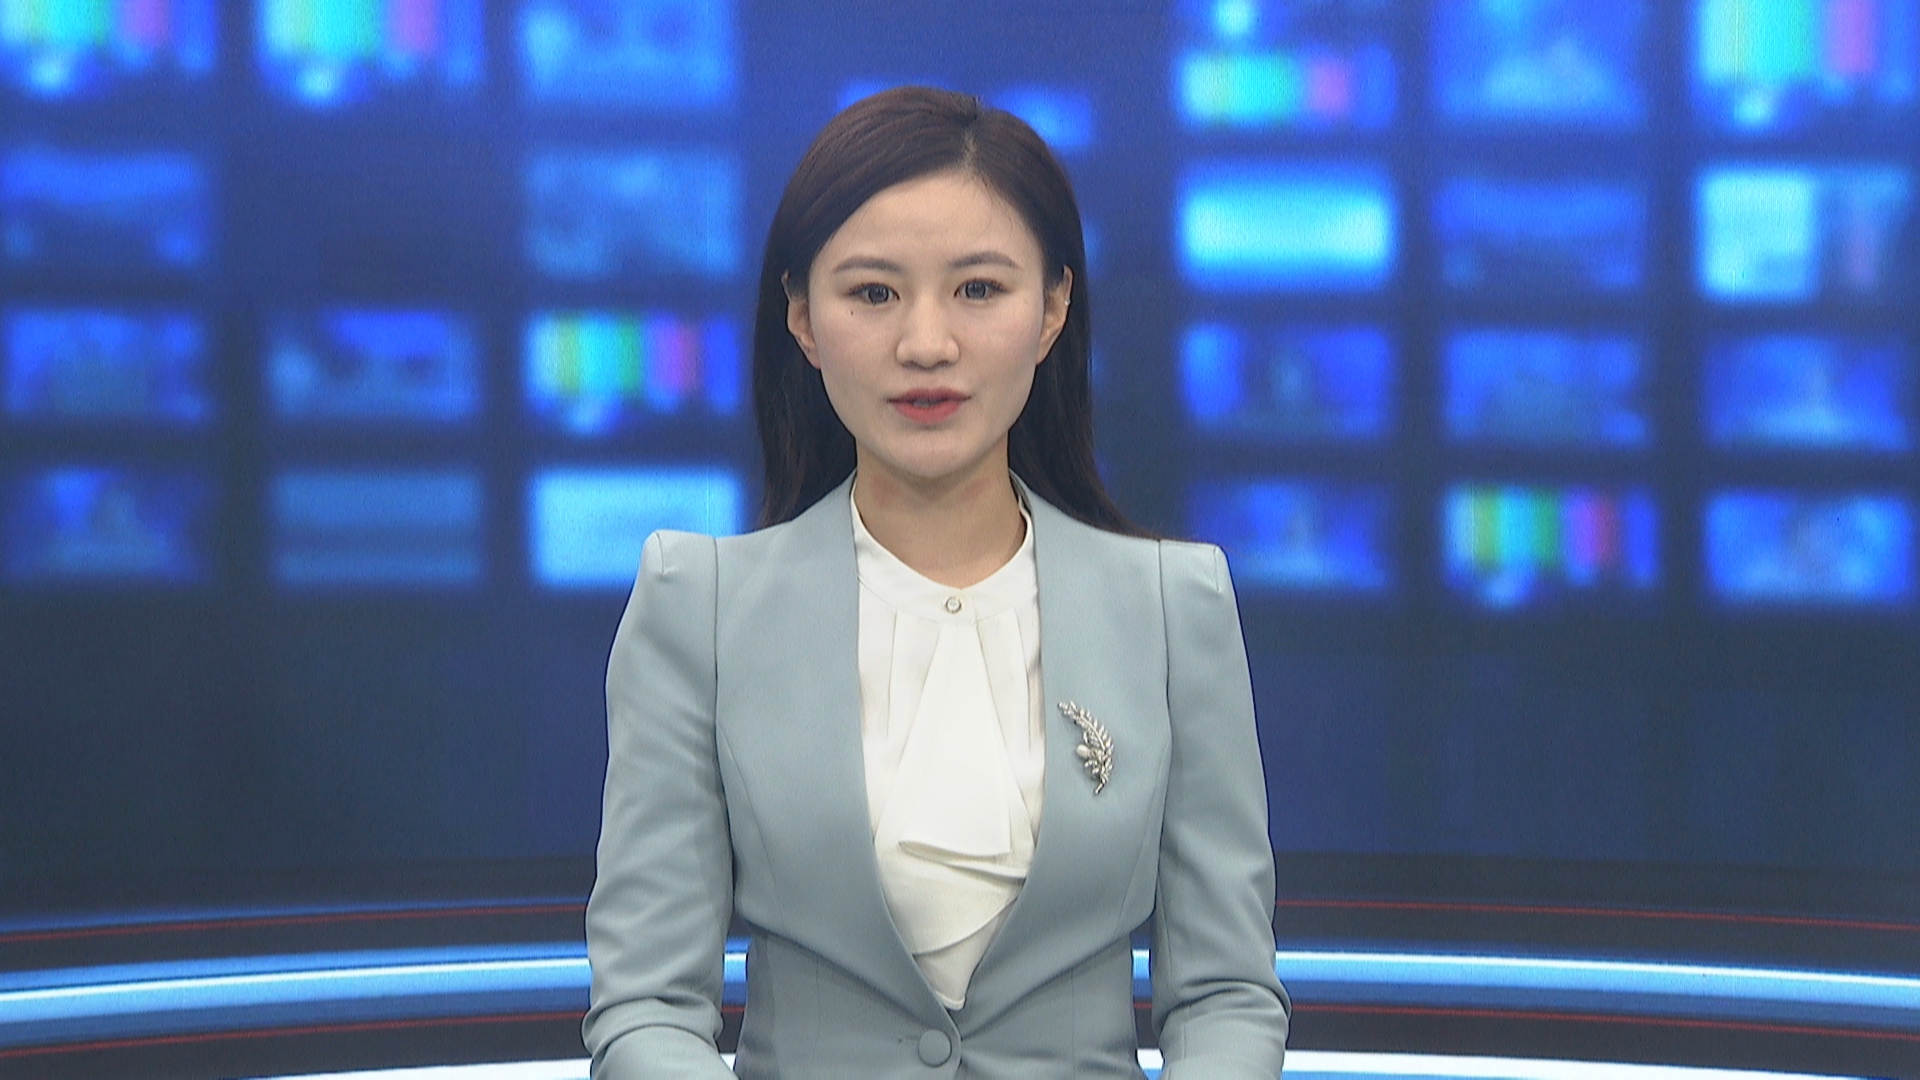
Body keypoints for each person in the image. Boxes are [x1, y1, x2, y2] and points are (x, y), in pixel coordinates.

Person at [583, 86, 1289, 1079]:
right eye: (873, 294)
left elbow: (1225, 996)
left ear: (1053, 309)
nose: (926, 344)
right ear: (802, 317)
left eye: (979, 290)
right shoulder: (697, 605)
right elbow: (647, 1009)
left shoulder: (1176, 607)